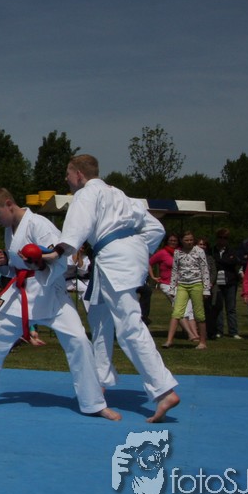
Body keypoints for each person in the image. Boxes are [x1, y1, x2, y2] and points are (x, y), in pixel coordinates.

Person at [0, 189, 118, 419]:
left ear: (9, 204)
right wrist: (4, 261)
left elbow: (61, 260)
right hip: (20, 293)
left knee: (79, 340)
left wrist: (40, 265)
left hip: (49, 294)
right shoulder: (9, 228)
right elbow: (17, 266)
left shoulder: (40, 225)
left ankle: (94, 403)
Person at [44, 155, 179, 423]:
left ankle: (163, 389)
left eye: (68, 174)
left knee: (129, 325)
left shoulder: (86, 194)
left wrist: (57, 251)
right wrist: (137, 248)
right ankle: (101, 379)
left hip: (114, 257)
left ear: (79, 174)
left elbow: (76, 229)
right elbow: (156, 228)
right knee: (98, 315)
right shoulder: (120, 194)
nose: (66, 179)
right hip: (122, 256)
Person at [161, 232, 210, 349]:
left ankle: (202, 342)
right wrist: (172, 288)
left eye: (191, 240)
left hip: (196, 284)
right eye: (187, 240)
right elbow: (175, 271)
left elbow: (205, 270)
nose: (189, 242)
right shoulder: (178, 252)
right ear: (182, 241)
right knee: (176, 312)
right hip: (182, 285)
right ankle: (169, 341)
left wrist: (206, 289)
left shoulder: (199, 251)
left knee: (199, 314)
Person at [210, 228, 241, 339]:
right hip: (217, 282)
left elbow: (234, 262)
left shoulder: (232, 251)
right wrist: (225, 262)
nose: (222, 240)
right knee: (218, 307)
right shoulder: (212, 250)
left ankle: (233, 331)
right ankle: (219, 331)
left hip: (230, 282)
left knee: (231, 308)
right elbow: (213, 262)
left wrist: (220, 261)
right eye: (220, 237)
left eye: (225, 238)